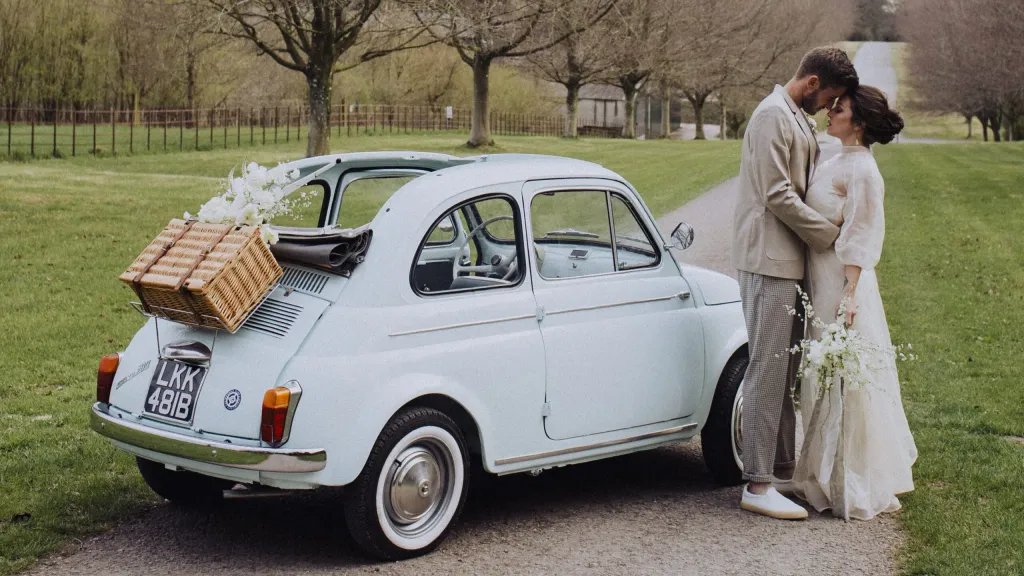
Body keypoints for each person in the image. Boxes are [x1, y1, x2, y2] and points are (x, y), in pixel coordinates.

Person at [732, 46, 858, 520]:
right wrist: (830, 235)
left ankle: (779, 472)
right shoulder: (772, 117)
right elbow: (776, 192)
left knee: (784, 373)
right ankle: (757, 483)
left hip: (788, 260)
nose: (830, 107)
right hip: (767, 261)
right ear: (811, 84)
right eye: (831, 97)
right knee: (767, 369)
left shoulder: (794, 115)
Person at [792, 85, 917, 520]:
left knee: (846, 381)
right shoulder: (836, 158)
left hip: (841, 283)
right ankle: (820, 470)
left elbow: (864, 234)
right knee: (819, 376)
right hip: (818, 276)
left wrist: (848, 295)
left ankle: (851, 476)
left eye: (838, 109)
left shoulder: (864, 171)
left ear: (858, 124)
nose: (829, 112)